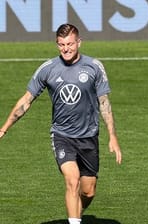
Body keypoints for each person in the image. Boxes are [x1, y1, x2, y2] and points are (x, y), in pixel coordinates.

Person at [0, 24, 122, 224]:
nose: (66, 49)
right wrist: (4, 127)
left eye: (70, 44)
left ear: (79, 42)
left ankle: (76, 212)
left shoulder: (94, 67)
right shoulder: (48, 69)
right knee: (72, 181)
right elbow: (26, 101)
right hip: (62, 135)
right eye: (62, 45)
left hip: (89, 136)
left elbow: (104, 104)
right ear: (57, 44)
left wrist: (113, 137)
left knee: (88, 191)